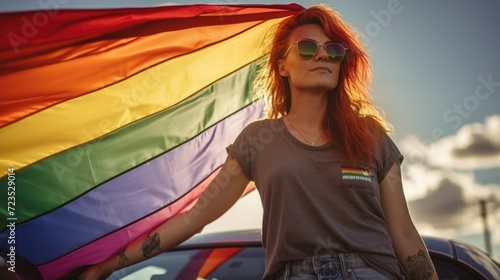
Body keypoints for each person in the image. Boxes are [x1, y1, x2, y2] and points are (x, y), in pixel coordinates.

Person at [79, 4, 438, 280]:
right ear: (282, 66)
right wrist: (108, 266)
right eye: (308, 47)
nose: (323, 56)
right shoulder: (258, 141)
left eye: (334, 50)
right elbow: (195, 218)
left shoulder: (371, 137)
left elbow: (403, 233)